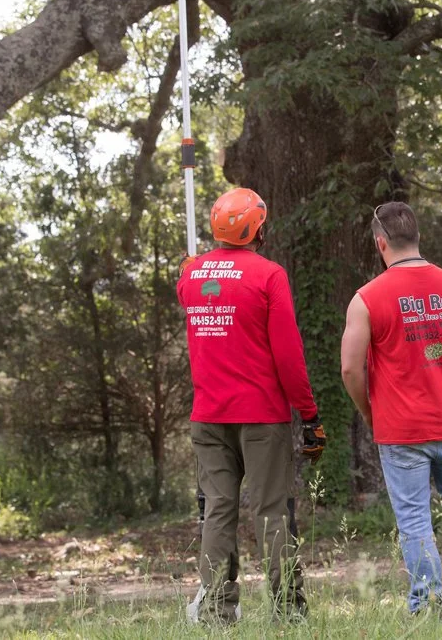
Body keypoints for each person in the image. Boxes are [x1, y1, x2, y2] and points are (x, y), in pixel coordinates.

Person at [339, 201, 442, 614]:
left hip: (401, 428)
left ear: (381, 243)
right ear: (417, 238)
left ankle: (428, 602)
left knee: (414, 519)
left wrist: (368, 410)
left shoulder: (367, 298)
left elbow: (349, 369)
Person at [177, 187, 327, 624]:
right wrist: (310, 414)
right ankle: (287, 612)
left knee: (218, 510)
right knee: (271, 512)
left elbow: (188, 294)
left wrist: (192, 271)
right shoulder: (269, 276)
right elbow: (288, 355)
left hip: (208, 416)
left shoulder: (191, 275)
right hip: (262, 417)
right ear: (259, 229)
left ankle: (216, 609)